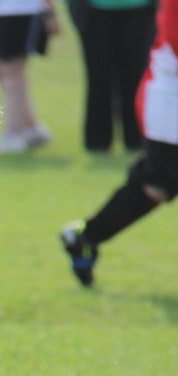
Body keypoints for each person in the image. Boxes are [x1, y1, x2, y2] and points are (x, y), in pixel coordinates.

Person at [61, 0, 177, 286]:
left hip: (165, 105)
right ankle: (85, 237)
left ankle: (85, 237)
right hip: (170, 105)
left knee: (154, 187)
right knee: (154, 185)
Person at [66, 0, 156, 152]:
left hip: (140, 9)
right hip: (94, 10)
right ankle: (98, 141)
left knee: (136, 76)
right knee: (98, 77)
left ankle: (137, 138)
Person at [0, 0, 59, 154]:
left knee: (12, 69)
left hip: (20, 9)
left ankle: (13, 133)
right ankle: (31, 127)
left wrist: (50, 12)